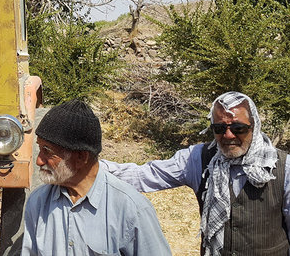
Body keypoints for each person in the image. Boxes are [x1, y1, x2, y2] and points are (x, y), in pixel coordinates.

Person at [102, 91, 290, 256]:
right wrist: (91, 169)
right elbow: (145, 175)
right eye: (219, 128)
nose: (228, 135)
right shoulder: (200, 159)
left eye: (238, 128)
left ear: (254, 126)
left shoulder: (283, 167)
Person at [22, 99, 171, 256]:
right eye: (39, 149)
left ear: (81, 157)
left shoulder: (131, 210)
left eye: (48, 151)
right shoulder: (38, 202)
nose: (39, 160)